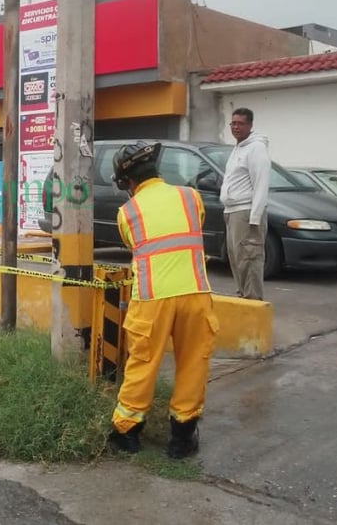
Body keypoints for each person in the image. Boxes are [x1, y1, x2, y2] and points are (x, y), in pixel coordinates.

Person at [108, 141, 218, 459]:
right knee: (193, 364)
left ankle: (126, 433)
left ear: (128, 182)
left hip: (152, 298)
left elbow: (133, 244)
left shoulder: (127, 213)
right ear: (157, 170)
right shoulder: (190, 197)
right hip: (195, 293)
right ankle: (182, 438)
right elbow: (194, 225)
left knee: (143, 363)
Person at [220, 107, 271, 300]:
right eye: (233, 123)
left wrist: (255, 218)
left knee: (249, 260)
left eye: (240, 123)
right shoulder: (238, 147)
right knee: (237, 260)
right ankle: (243, 298)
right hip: (232, 212)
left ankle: (253, 303)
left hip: (246, 213)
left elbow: (261, 183)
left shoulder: (256, 148)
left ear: (250, 125)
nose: (236, 127)